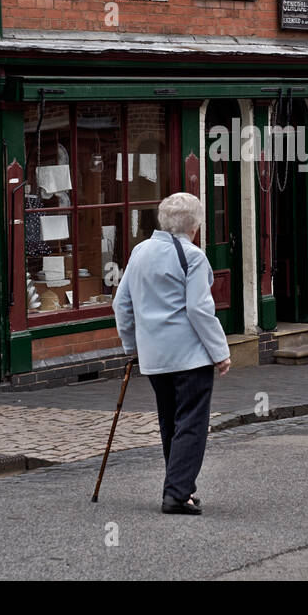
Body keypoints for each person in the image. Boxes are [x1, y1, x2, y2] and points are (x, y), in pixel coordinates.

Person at [114, 192, 231, 515]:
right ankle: (177, 494)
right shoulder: (193, 257)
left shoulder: (139, 252)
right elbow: (199, 309)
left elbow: (121, 305)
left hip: (154, 359)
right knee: (191, 423)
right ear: (194, 226)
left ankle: (182, 488)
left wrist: (131, 347)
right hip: (189, 357)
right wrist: (220, 352)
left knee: (171, 422)